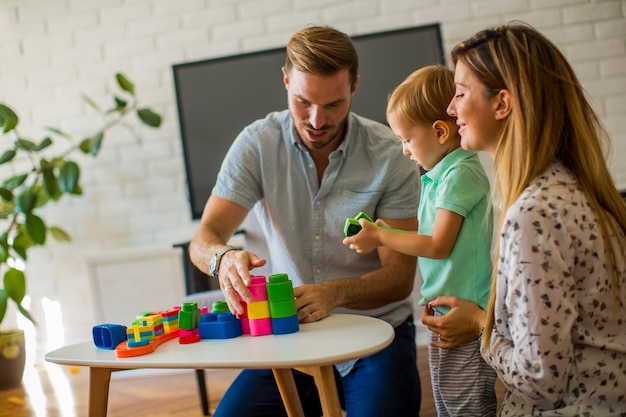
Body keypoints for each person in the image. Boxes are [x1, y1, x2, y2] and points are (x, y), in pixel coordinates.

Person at [188, 25, 422, 417]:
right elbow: (204, 240)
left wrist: (334, 293)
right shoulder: (257, 144)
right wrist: (224, 258)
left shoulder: (390, 156)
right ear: (285, 80)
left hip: (377, 335)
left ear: (354, 87)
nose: (317, 120)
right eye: (303, 101)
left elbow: (399, 279)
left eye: (334, 104)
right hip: (289, 335)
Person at [429, 22, 626, 415]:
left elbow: (540, 380)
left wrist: (480, 327)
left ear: (502, 104)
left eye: (461, 93)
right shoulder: (570, 188)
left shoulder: (534, 214)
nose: (451, 109)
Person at [343, 65, 497, 416]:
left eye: (407, 140)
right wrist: (385, 230)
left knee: (466, 407)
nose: (404, 151)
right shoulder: (438, 177)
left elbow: (438, 245)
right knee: (447, 403)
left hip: (466, 312)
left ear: (441, 131)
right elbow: (431, 238)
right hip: (446, 310)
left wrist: (383, 236)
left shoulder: (460, 174)